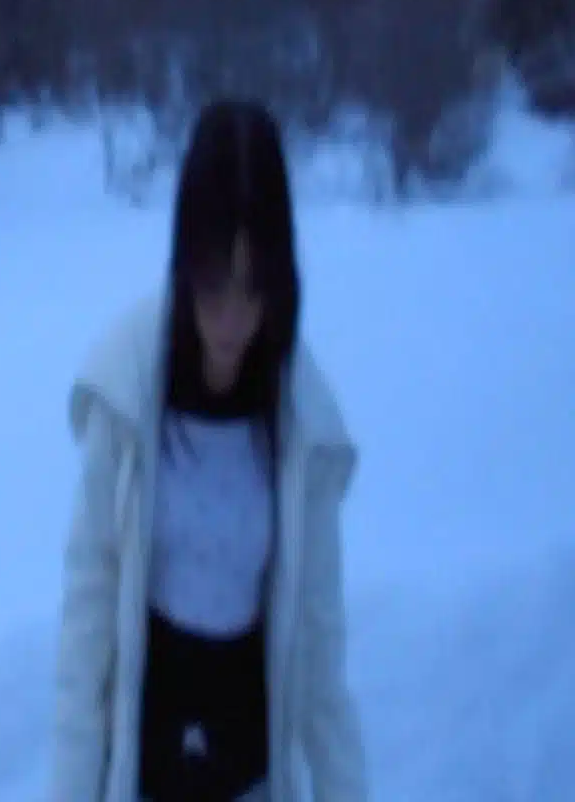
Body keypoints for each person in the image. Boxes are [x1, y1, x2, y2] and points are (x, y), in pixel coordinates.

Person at [51, 99, 367, 802]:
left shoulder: (304, 427)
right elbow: (86, 634)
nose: (231, 321)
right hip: (144, 777)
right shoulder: (125, 397)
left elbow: (319, 653)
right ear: (184, 264)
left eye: (253, 290)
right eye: (214, 285)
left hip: (250, 777)